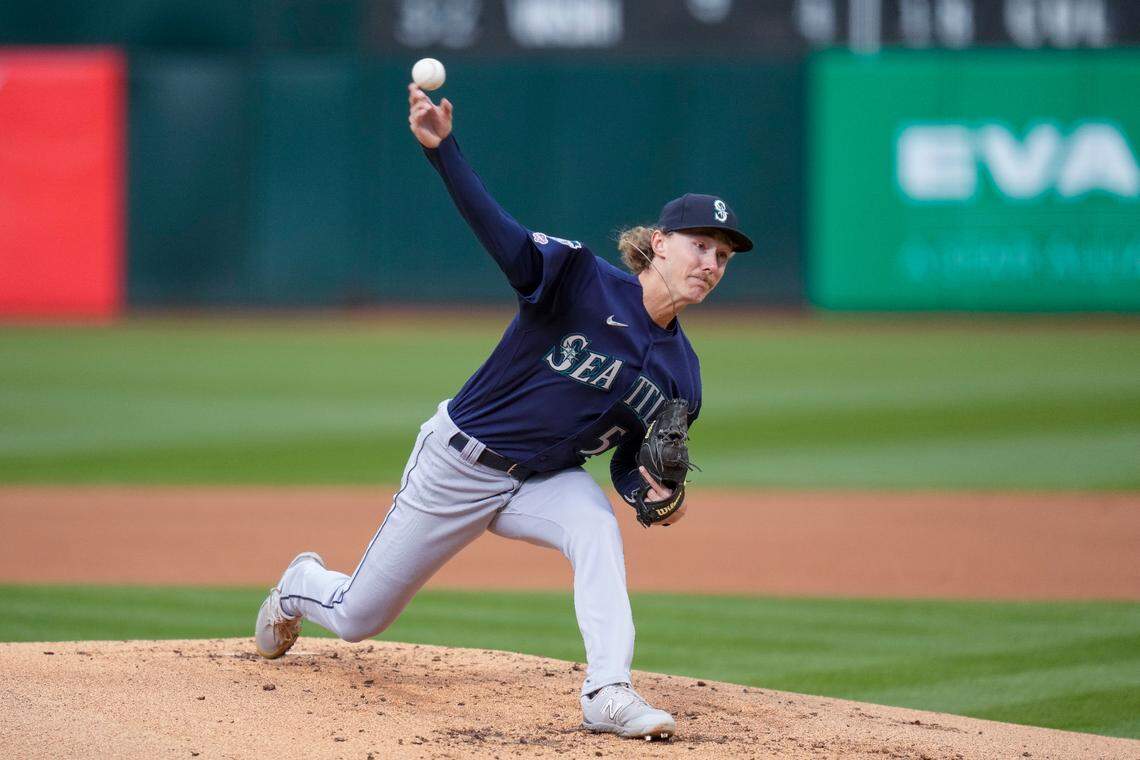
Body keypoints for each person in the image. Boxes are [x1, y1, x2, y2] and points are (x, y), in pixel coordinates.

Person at [254, 82, 753, 741]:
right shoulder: (577, 278)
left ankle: (607, 691)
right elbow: (501, 234)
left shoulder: (681, 376)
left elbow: (630, 460)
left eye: (722, 256)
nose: (711, 263)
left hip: (543, 481)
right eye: (700, 245)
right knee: (358, 618)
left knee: (595, 528)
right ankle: (301, 583)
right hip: (459, 464)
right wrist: (443, 151)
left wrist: (653, 492)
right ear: (659, 244)